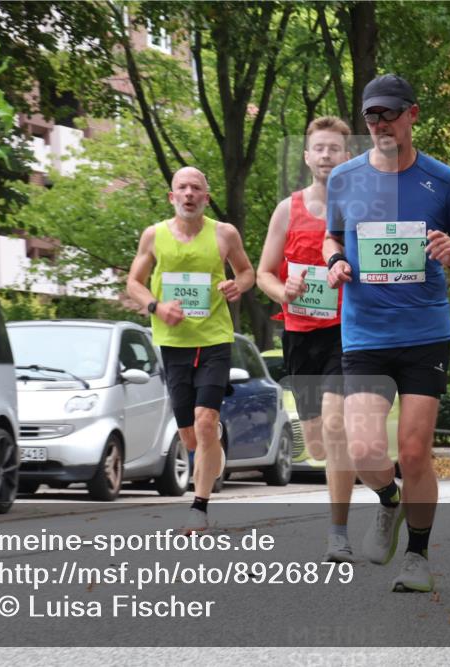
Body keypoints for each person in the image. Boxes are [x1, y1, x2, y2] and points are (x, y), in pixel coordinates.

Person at [323, 74, 450, 592]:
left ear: (412, 115)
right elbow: (333, 233)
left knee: (415, 452)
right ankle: (389, 502)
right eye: (372, 116)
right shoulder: (344, 179)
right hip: (366, 332)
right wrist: (333, 260)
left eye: (390, 114)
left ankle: (417, 557)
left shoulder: (443, 180)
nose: (380, 125)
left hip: (424, 332)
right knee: (366, 450)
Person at [126, 167, 255, 533]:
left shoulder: (224, 233)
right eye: (181, 188)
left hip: (214, 339)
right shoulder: (154, 236)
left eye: (195, 188)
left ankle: (199, 506)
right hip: (174, 343)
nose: (188, 194)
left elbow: (247, 272)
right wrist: (157, 307)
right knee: (190, 436)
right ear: (172, 197)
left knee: (205, 420)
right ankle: (212, 450)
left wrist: (237, 285)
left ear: (206, 196)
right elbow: (134, 282)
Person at [257, 116, 356, 562]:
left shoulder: (361, 207)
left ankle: (338, 531)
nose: (326, 155)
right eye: (319, 148)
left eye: (334, 148)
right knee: (316, 442)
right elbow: (262, 273)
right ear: (307, 157)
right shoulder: (287, 209)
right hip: (300, 335)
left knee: (335, 427)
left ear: (347, 155)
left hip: (345, 331)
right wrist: (284, 290)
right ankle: (373, 479)